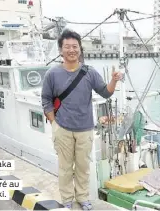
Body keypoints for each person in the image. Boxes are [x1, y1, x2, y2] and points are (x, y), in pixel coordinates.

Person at [41, 29, 122, 210]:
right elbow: (46, 99)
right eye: (67, 47)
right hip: (62, 128)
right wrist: (54, 122)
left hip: (85, 128)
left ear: (80, 49)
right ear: (61, 50)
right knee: (65, 168)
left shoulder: (89, 72)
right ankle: (67, 200)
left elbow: (105, 92)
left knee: (83, 167)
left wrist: (114, 81)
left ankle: (83, 198)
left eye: (75, 46)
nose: (71, 50)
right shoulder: (52, 74)